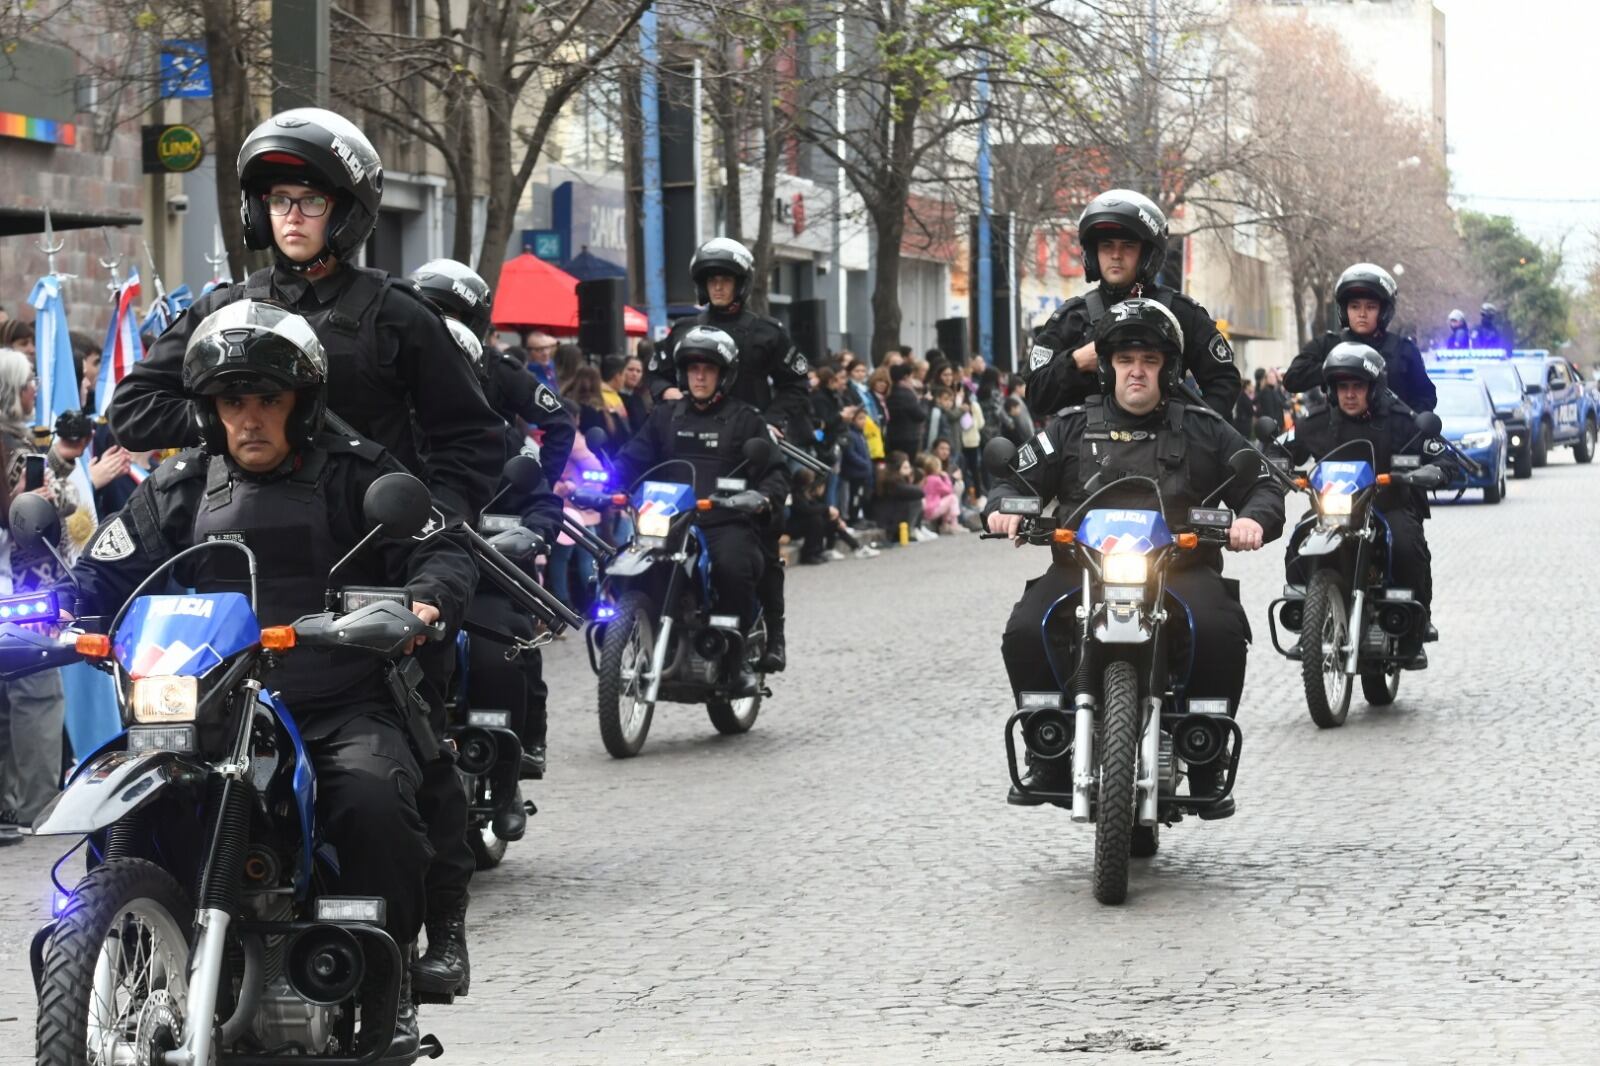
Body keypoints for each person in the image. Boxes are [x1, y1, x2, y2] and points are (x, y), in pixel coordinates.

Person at [106, 108, 503, 1010]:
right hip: (241, 570)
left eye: (310, 200)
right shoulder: (223, 310)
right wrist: (234, 416)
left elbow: (474, 439)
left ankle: (429, 933)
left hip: (370, 560)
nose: (292, 217)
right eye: (278, 200)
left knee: (408, 753)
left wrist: (426, 522)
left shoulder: (396, 316)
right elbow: (136, 414)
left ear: (348, 210)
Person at [69, 301, 476, 1057]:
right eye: (232, 402)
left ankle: (389, 993)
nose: (249, 419)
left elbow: (440, 549)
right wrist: (55, 609)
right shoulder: (179, 487)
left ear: (302, 405)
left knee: (372, 799)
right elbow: (101, 572)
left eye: (267, 400)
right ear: (210, 410)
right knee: (117, 805)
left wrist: (424, 599)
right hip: (205, 709)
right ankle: (115, 963)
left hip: (334, 699)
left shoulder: (358, 471)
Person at [984, 298, 1285, 817]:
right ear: (1108, 366)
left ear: (1167, 367)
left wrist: (1252, 518)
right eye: (1126, 360)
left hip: (1179, 568)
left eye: (1149, 360)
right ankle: (1047, 745)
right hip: (1082, 569)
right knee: (1025, 627)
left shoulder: (1202, 427)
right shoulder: (1070, 427)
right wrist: (1003, 510)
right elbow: (1013, 477)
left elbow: (1260, 481)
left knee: (1221, 628)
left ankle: (1206, 748)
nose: (1137, 371)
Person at [649, 238, 809, 672]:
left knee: (758, 546)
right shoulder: (684, 333)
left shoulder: (768, 333)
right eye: (712, 280)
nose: (719, 288)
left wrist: (773, 421)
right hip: (692, 445)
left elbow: (797, 385)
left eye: (726, 280)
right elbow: (656, 377)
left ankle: (771, 633)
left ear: (741, 284)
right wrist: (667, 394)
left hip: (749, 448)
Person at [618, 326, 788, 695]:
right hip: (667, 520)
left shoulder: (746, 419)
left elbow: (774, 471)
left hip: (723, 520)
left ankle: (736, 657)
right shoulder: (665, 415)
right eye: (693, 367)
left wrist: (760, 497)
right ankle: (626, 636)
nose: (699, 375)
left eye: (708, 368)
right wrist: (603, 484)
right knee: (623, 564)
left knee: (732, 567)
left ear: (723, 374)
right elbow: (632, 458)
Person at [1280, 342, 1442, 665]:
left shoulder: (1400, 420)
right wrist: (1271, 464)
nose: (1350, 394)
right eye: (1343, 387)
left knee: (1408, 545)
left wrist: (1434, 469)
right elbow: (1282, 451)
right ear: (1331, 389)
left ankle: (1414, 629)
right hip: (1331, 511)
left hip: (1386, 506)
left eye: (1357, 386)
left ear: (1374, 388)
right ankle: (1306, 623)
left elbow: (1437, 451)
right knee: (1299, 541)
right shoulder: (1315, 422)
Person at [1027, 189, 1239, 418]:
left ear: (1147, 254)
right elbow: (1035, 396)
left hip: (1164, 450)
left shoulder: (1180, 313)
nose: (1116, 255)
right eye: (1107, 245)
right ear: (1093, 253)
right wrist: (1075, 362)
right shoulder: (1071, 319)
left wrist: (1190, 432)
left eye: (1128, 245)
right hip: (1087, 449)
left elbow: (1224, 381)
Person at [409, 258, 575, 489]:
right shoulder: (397, 365)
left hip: (491, 503)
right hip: (417, 497)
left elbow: (560, 422)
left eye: (444, 311)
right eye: (425, 311)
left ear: (471, 320)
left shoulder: (499, 370)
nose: (434, 321)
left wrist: (536, 484)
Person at [0, 350, 69, 842]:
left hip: (15, 585)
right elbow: (18, 520)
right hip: (20, 588)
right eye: (29, 382)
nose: (36, 391)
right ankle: (41, 810)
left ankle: (12, 806)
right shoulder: (8, 445)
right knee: (37, 693)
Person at [1283, 263, 1436, 414]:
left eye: (1370, 307)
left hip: (1391, 436)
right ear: (1344, 310)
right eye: (1355, 307)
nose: (1362, 314)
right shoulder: (1328, 344)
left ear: (1384, 312)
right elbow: (1292, 380)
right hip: (1340, 436)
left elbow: (1426, 397)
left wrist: (1407, 424)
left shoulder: (1403, 349)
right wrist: (1335, 367)